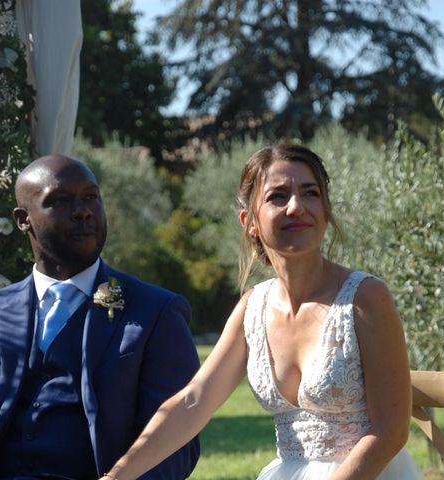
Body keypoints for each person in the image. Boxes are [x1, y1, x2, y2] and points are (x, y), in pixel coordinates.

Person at [100, 144, 420, 480]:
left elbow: (391, 431)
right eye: (277, 196)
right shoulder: (253, 308)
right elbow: (193, 402)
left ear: (326, 211)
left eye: (310, 193)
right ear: (249, 221)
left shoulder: (366, 297)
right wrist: (117, 476)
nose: (296, 206)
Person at [0, 154, 200, 480]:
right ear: (23, 219)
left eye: (91, 197)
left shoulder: (155, 312)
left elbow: (176, 440)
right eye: (60, 201)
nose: (83, 211)